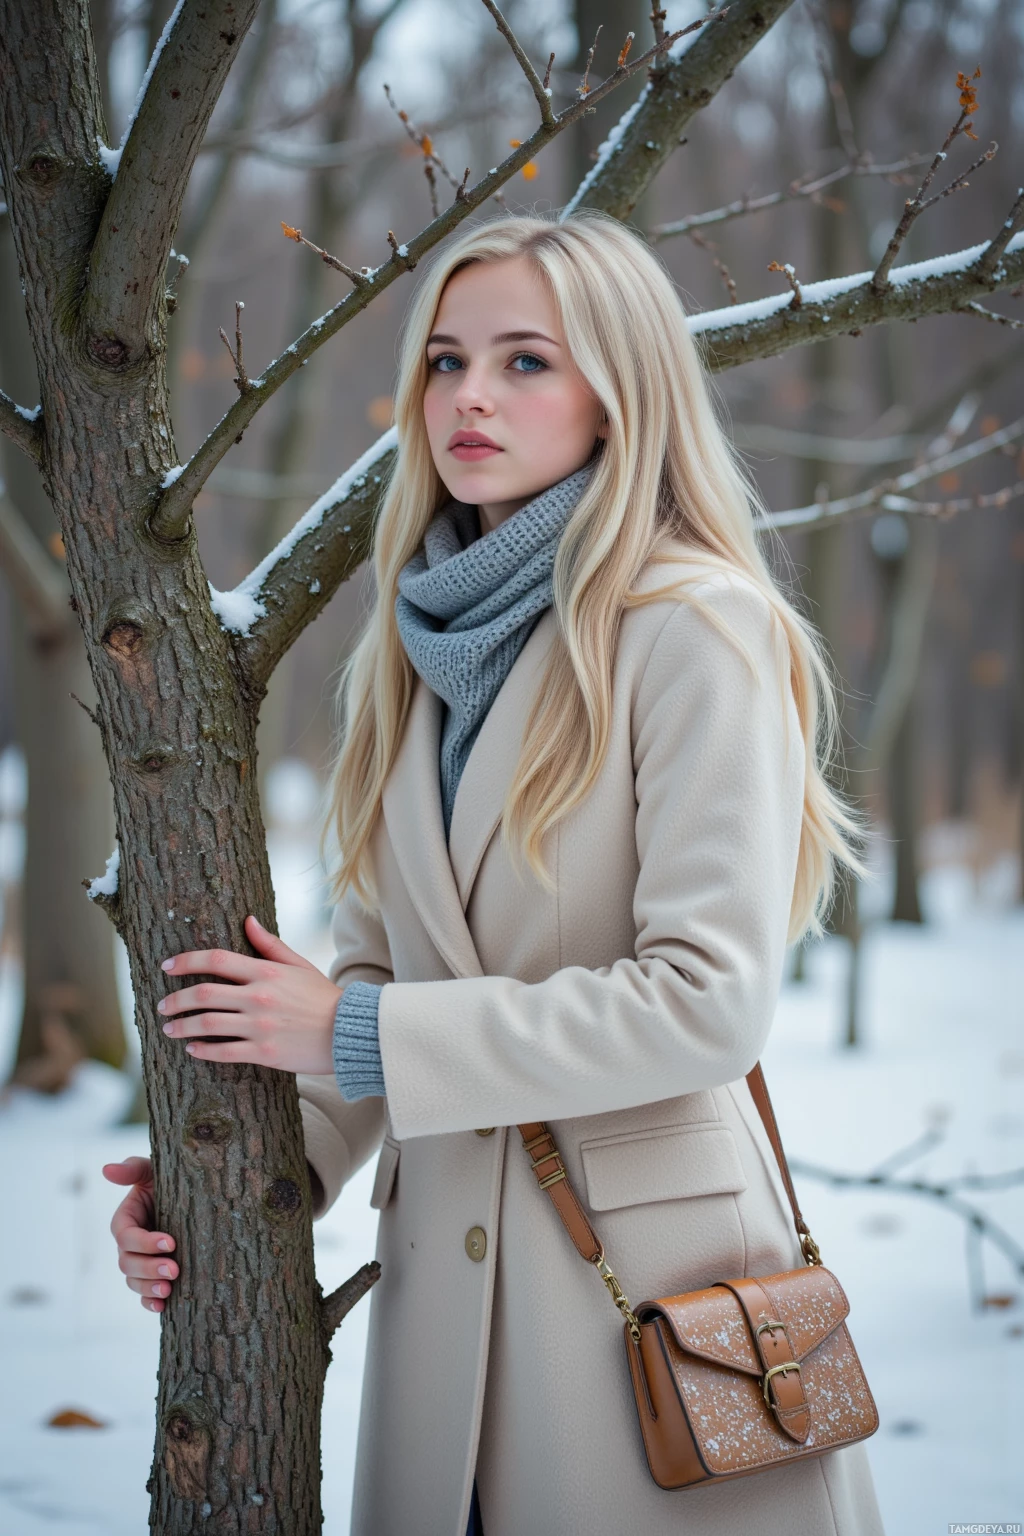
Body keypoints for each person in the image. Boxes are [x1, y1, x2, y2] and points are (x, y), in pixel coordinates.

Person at [105, 210, 886, 1536]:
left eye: (527, 360)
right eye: (444, 360)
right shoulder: (417, 648)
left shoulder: (696, 625)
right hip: (442, 1318)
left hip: (649, 1314)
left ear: (617, 390)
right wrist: (244, 1183)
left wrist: (354, 1028)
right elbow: (375, 976)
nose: (470, 395)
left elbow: (706, 1001)